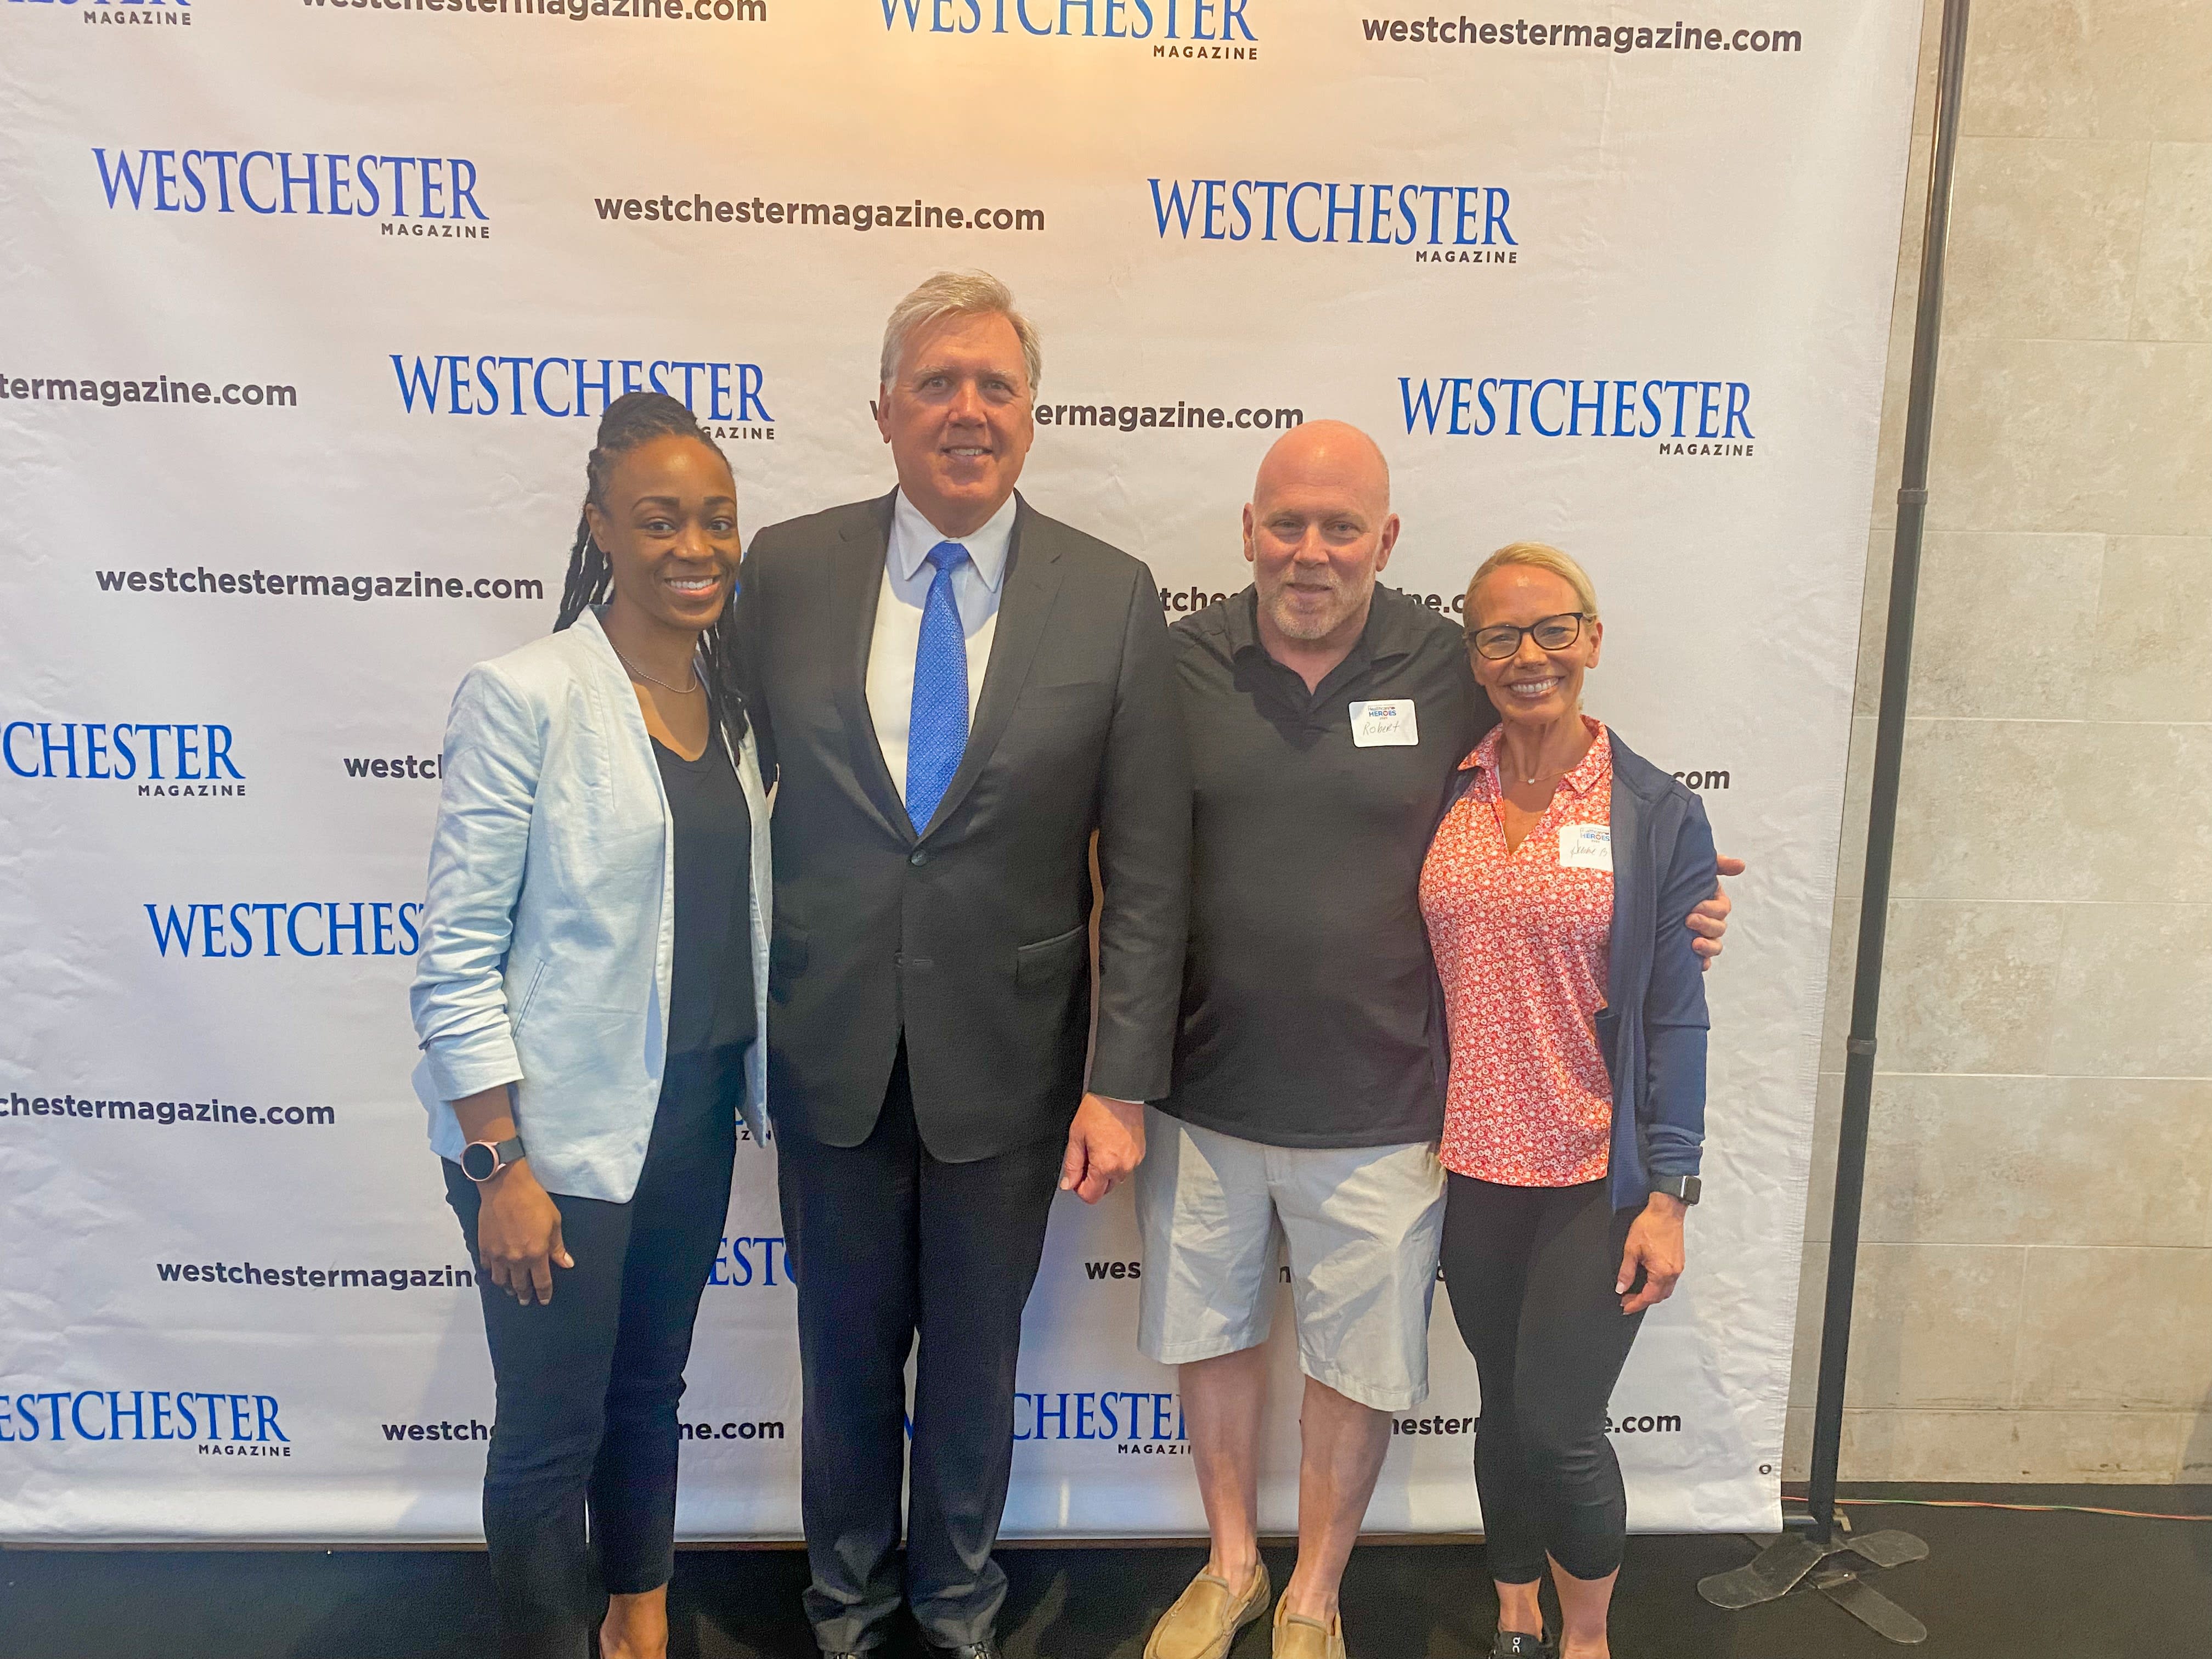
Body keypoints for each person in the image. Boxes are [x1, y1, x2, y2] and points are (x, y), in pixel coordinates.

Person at [1138, 426, 1735, 1659]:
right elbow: (1124, 863)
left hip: (1392, 1103)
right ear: (1248, 530)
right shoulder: (1173, 663)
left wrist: (1678, 896)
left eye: (1341, 526)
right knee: (1211, 1335)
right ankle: (1234, 1567)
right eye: (1286, 523)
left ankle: (1317, 1598)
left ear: (1386, 541)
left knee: (1375, 1366)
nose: (1312, 550)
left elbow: (1572, 763)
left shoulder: (1441, 663)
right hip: (1206, 1087)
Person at [733, 270, 1190, 1659]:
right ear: (883, 410)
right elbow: (720, 795)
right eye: (938, 382)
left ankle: (958, 1607)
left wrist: (1119, 1082)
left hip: (1015, 1062)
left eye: (996, 385)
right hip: (829, 1050)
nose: (968, 410)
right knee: (843, 1360)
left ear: (1033, 419)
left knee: (980, 1364)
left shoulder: (1110, 598)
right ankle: (845, 1606)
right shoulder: (786, 570)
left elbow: (1151, 868)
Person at [408, 392, 772, 1659]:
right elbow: (454, 955)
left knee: (647, 1397)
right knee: (551, 1428)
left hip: (695, 1118)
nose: (694, 547)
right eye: (660, 520)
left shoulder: (730, 709)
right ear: (599, 526)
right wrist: (498, 1164)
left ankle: (643, 1630)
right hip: (551, 1140)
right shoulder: (527, 694)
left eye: (717, 521)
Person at [1422, 542, 1713, 1659]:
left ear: (1592, 638)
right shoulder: (1449, 783)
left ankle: (1586, 1638)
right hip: (1470, 1167)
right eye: (1499, 635)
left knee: (1560, 1425)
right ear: (1475, 656)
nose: (1527, 654)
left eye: (1552, 629)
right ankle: (1513, 1612)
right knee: (1502, 1405)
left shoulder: (1652, 809)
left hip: (1596, 1177)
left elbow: (1677, 1014)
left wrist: (1672, 1193)